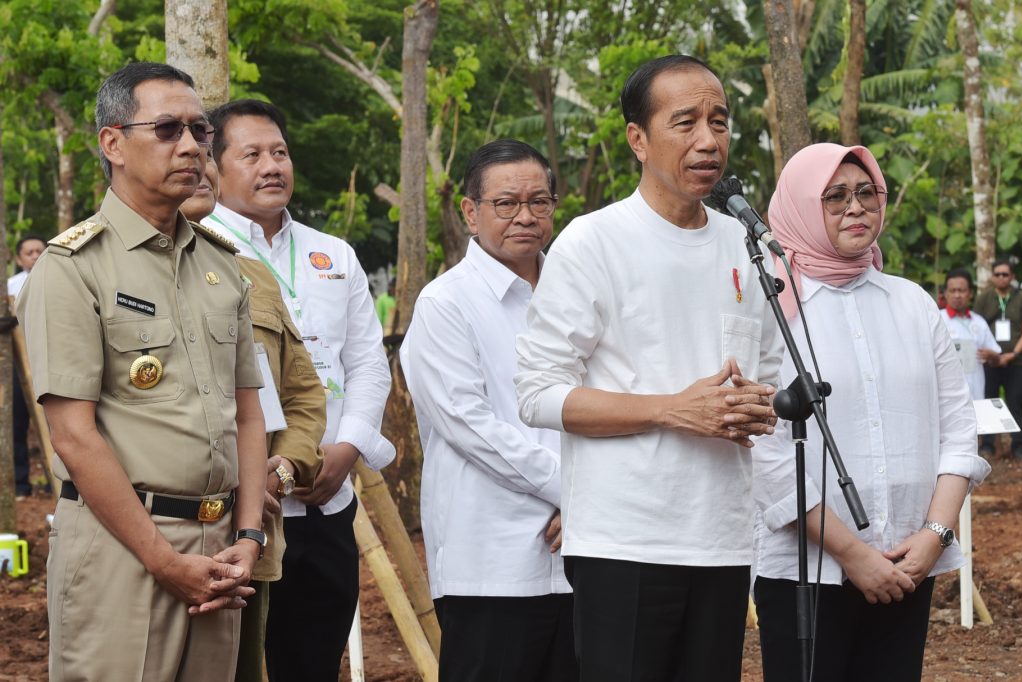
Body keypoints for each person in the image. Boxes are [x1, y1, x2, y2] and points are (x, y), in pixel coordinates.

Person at [515, 54, 783, 681]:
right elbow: (537, 395)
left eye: (719, 121)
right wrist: (670, 409)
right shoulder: (593, 241)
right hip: (624, 542)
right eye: (684, 122)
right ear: (638, 139)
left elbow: (768, 379)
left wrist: (757, 405)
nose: (708, 140)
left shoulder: (744, 244)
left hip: (721, 538)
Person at [17, 62, 268, 681]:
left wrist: (250, 535)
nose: (190, 146)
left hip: (218, 551)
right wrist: (161, 559)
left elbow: (249, 413)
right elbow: (73, 436)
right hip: (122, 549)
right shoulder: (74, 266)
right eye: (166, 129)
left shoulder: (221, 265)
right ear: (112, 143)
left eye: (200, 130)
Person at [751, 142, 991, 682]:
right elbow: (763, 453)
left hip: (909, 564)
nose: (855, 208)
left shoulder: (912, 304)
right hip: (804, 574)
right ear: (800, 208)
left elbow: (958, 431)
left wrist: (934, 535)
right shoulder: (772, 310)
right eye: (834, 197)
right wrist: (853, 555)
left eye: (866, 193)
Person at [203, 99, 395, 682]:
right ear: (213, 166)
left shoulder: (333, 254)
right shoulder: (197, 249)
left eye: (280, 152)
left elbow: (368, 362)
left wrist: (349, 448)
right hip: (240, 508)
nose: (272, 166)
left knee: (312, 659)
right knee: (234, 662)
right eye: (252, 154)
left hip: (327, 496)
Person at [401, 139, 576, 681]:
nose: (525, 216)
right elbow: (472, 428)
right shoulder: (444, 304)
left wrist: (590, 499)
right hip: (490, 564)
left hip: (582, 556)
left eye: (539, 201)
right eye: (506, 203)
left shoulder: (578, 296)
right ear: (471, 213)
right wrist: (578, 488)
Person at [181, 154, 326, 682]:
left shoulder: (250, 275)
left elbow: (305, 393)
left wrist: (280, 470)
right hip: (149, 537)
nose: (194, 159)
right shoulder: (88, 271)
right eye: (173, 134)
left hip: (248, 534)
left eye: (203, 141)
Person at [8, 233, 46, 498]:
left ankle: (56, 481)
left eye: (38, 251)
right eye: (29, 253)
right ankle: (21, 484)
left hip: (50, 358)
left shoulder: (58, 278)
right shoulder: (9, 286)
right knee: (17, 424)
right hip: (19, 364)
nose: (34, 257)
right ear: (19, 258)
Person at [974, 258, 1022, 457]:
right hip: (989, 361)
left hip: (1017, 360)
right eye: (997, 274)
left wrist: (1014, 354)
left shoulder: (1020, 298)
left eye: (1005, 274)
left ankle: (1018, 445)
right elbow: (976, 326)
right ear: (992, 277)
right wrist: (992, 356)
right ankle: (987, 445)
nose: (1001, 278)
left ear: (1012, 277)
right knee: (989, 401)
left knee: (1015, 400)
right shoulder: (984, 298)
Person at [942, 268, 1001, 400]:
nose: (957, 295)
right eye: (953, 291)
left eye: (961, 290)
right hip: (947, 396)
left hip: (976, 394)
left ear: (970, 293)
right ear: (945, 293)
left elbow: (997, 358)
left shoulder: (979, 322)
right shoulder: (937, 320)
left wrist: (991, 356)